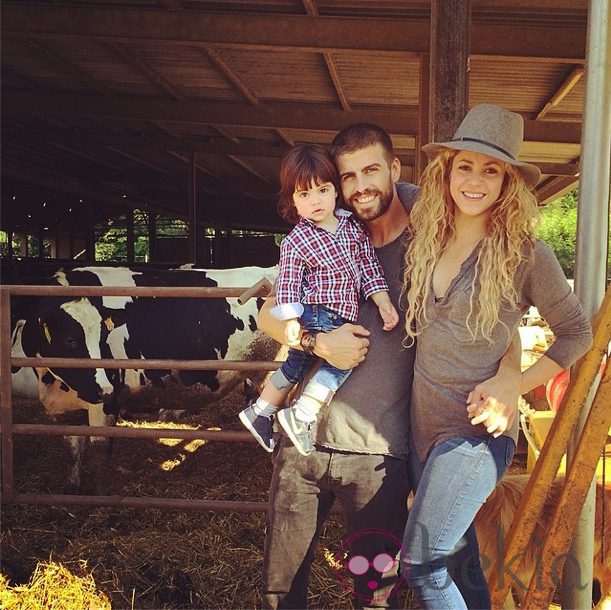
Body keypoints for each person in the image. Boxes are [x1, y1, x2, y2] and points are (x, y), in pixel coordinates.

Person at [257, 123, 522, 609]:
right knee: (281, 584)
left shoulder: (437, 237)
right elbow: (267, 315)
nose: (361, 186)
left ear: (396, 171)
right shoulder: (324, 233)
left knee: (376, 592)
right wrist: (318, 343)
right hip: (302, 445)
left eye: (372, 170)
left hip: (378, 461)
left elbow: (497, 318)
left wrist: (510, 378)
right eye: (348, 176)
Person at [399, 103, 593, 609]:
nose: (475, 180)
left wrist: (514, 383)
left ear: (509, 183)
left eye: (493, 171)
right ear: (446, 170)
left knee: (421, 564)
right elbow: (366, 189)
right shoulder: (427, 233)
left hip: (476, 435)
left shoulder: (527, 253)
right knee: (463, 566)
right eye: (465, 165)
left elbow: (577, 334)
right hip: (423, 431)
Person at [239, 144, 399, 457]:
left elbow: (367, 266)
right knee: (344, 362)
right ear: (292, 200)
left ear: (335, 191)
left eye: (322, 190)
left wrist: (382, 301)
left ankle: (260, 410)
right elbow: (288, 281)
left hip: (339, 313)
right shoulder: (297, 240)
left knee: (295, 364)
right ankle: (301, 415)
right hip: (319, 313)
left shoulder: (353, 229)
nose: (315, 202)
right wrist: (289, 322)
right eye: (304, 195)